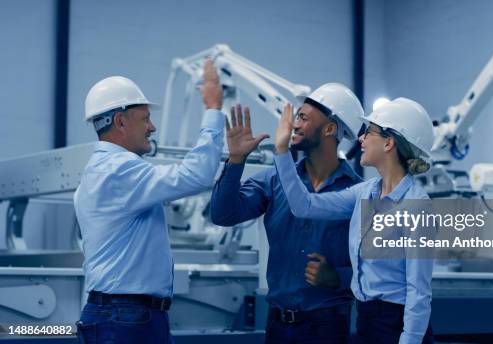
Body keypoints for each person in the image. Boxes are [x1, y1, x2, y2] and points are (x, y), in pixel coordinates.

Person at [74, 60, 227, 343]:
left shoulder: (104, 170)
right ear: (120, 121)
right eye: (145, 118)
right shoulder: (119, 171)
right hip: (125, 319)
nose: (152, 127)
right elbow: (198, 174)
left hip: (124, 316)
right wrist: (214, 109)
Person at [210, 83, 364, 343]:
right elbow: (223, 215)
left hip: (328, 328)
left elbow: (379, 270)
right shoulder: (275, 179)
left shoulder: (359, 193)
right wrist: (235, 161)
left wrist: (339, 277)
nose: (294, 124)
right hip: (279, 326)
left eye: (303, 117)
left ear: (329, 129)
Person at [273, 98, 436, 344]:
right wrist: (283, 153)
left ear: (389, 143)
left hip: (398, 326)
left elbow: (419, 293)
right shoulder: (364, 193)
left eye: (368, 132)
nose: (361, 139)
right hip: (365, 321)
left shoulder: (416, 206)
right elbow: (303, 205)